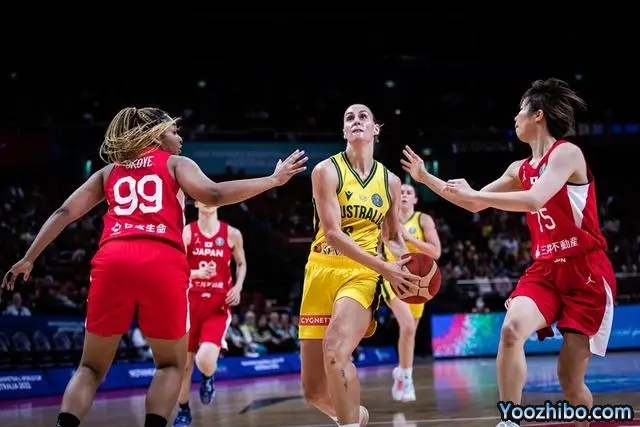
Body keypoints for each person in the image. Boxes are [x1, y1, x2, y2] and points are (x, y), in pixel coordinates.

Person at [1, 107, 307, 427]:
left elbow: (64, 212)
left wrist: (29, 257)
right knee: (170, 365)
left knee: (90, 367)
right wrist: (273, 180)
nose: (180, 137)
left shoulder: (109, 171)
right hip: (161, 261)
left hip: (113, 260)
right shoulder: (176, 164)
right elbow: (213, 194)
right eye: (174, 131)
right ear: (156, 135)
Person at [401, 79, 615, 427]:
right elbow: (472, 202)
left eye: (520, 111)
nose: (515, 118)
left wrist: (478, 195)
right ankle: (510, 420)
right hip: (546, 269)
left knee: (570, 383)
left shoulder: (567, 153)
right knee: (512, 329)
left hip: (586, 272)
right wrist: (426, 178)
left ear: (538, 115)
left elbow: (535, 199)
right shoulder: (518, 169)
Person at [300, 104, 420, 427]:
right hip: (321, 269)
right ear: (343, 131)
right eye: (349, 118)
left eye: (363, 116)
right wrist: (384, 266)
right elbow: (333, 234)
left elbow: (392, 236)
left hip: (362, 274)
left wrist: (406, 265)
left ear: (375, 129)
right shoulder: (325, 171)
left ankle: (349, 423)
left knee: (336, 350)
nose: (356, 121)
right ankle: (356, 416)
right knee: (313, 391)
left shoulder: (390, 181)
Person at [172, 203, 246, 427]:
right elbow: (175, 267)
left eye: (212, 195)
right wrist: (196, 273)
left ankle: (207, 376)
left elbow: (241, 264)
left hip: (217, 306)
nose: (208, 199)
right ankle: (183, 411)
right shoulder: (187, 232)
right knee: (184, 366)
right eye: (203, 196)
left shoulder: (232, 233)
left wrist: (238, 287)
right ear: (196, 202)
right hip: (189, 305)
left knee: (203, 358)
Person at [381, 183, 441, 402]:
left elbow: (436, 252)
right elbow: (379, 249)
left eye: (409, 193)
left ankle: (402, 371)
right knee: (406, 326)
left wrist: (409, 237)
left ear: (415, 199)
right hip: (394, 277)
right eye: (401, 192)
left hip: (418, 282)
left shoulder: (423, 220)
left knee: (409, 333)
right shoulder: (386, 218)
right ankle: (407, 379)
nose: (404, 195)